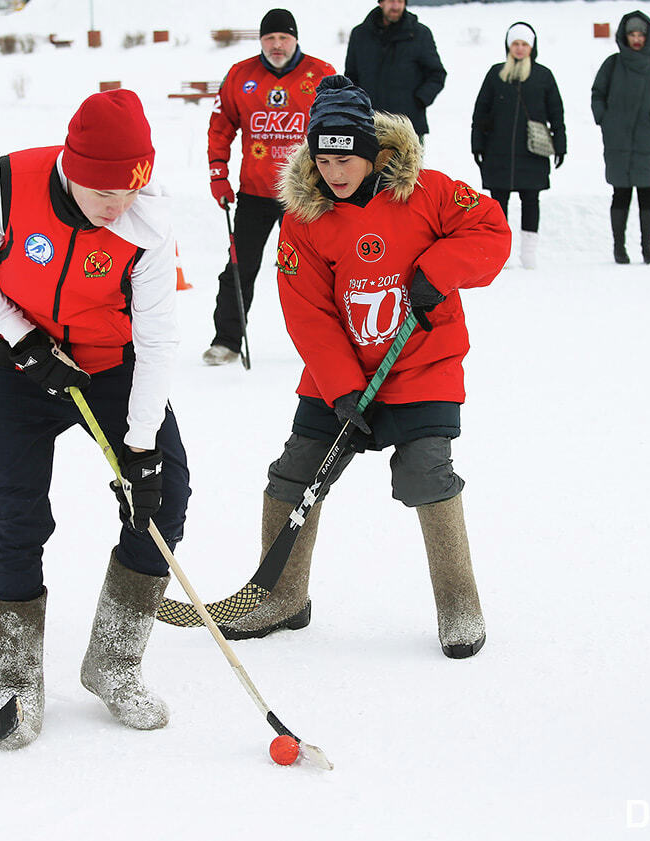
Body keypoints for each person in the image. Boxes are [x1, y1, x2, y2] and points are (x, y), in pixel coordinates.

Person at [218, 76, 510, 659]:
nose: (334, 171)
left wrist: (439, 268)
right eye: (322, 158)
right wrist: (344, 389)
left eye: (346, 156)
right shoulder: (303, 217)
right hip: (342, 369)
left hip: (422, 361)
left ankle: (460, 607)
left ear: (374, 151)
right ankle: (281, 598)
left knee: (426, 473)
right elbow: (307, 313)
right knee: (296, 472)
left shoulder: (427, 192)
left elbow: (491, 229)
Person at [0, 88, 190, 749]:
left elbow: (158, 337)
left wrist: (140, 447)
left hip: (109, 369)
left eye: (129, 190)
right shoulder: (4, 186)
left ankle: (113, 661)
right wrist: (21, 338)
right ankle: (18, 673)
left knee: (162, 498)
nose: (119, 207)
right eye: (104, 193)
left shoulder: (146, 223)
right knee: (18, 511)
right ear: (70, 168)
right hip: (13, 367)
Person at [203, 8, 336, 366]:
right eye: (270, 38)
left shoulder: (321, 73)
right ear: (261, 40)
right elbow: (221, 126)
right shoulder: (240, 75)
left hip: (305, 192)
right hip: (255, 192)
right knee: (238, 268)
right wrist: (218, 173)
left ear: (295, 38)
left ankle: (330, 341)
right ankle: (227, 341)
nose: (277, 45)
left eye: (283, 37)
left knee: (314, 272)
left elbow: (340, 127)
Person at [470, 22, 566, 270]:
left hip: (532, 151)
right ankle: (502, 253)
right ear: (509, 46)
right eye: (516, 44)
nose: (520, 49)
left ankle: (528, 253)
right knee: (498, 204)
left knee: (531, 200)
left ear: (532, 47)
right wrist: (477, 143)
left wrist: (561, 144)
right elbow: (480, 111)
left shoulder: (543, 75)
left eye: (524, 44)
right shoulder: (495, 74)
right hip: (497, 150)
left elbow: (557, 113)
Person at [591, 10, 650, 265]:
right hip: (617, 138)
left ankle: (647, 247)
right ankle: (618, 247)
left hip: (648, 141)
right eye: (632, 34)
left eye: (641, 34)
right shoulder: (612, 64)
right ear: (624, 36)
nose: (637, 39)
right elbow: (597, 94)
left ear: (648, 36)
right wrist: (605, 119)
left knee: (647, 193)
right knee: (620, 193)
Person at [344, 0, 447, 143]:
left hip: (408, 127)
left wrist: (419, 100)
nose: (396, 6)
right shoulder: (360, 34)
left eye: (400, 1)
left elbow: (436, 74)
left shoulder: (420, 34)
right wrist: (358, 107)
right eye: (391, 1)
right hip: (368, 125)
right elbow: (351, 76)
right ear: (381, 3)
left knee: (408, 166)